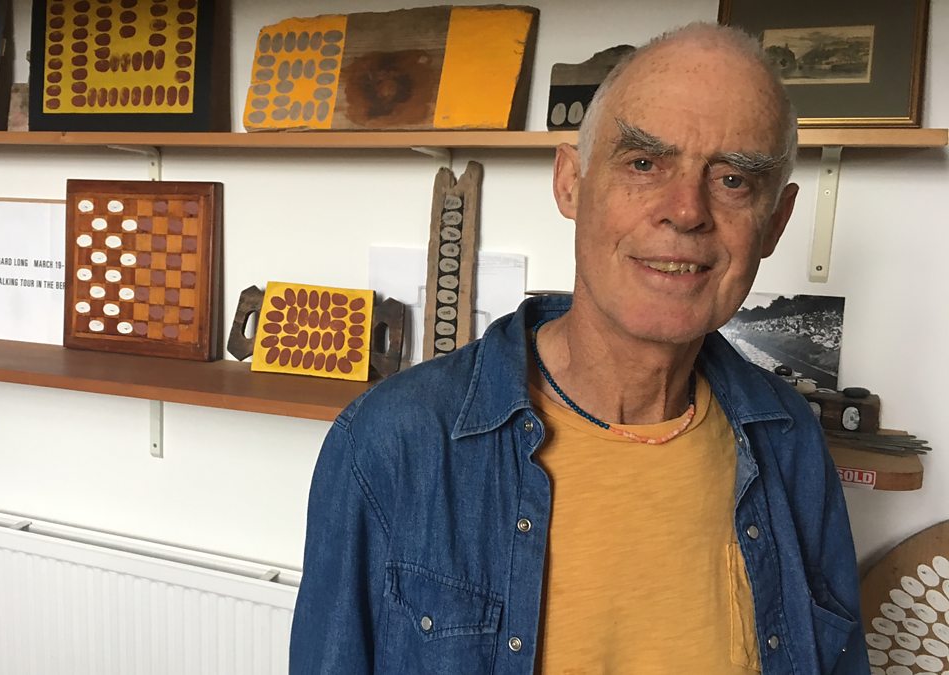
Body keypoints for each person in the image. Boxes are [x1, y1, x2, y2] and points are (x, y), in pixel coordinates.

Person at [289, 22, 868, 675]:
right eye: (644, 163)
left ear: (776, 223)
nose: (686, 211)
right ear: (570, 182)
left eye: (733, 179)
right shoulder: (393, 442)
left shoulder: (790, 442)